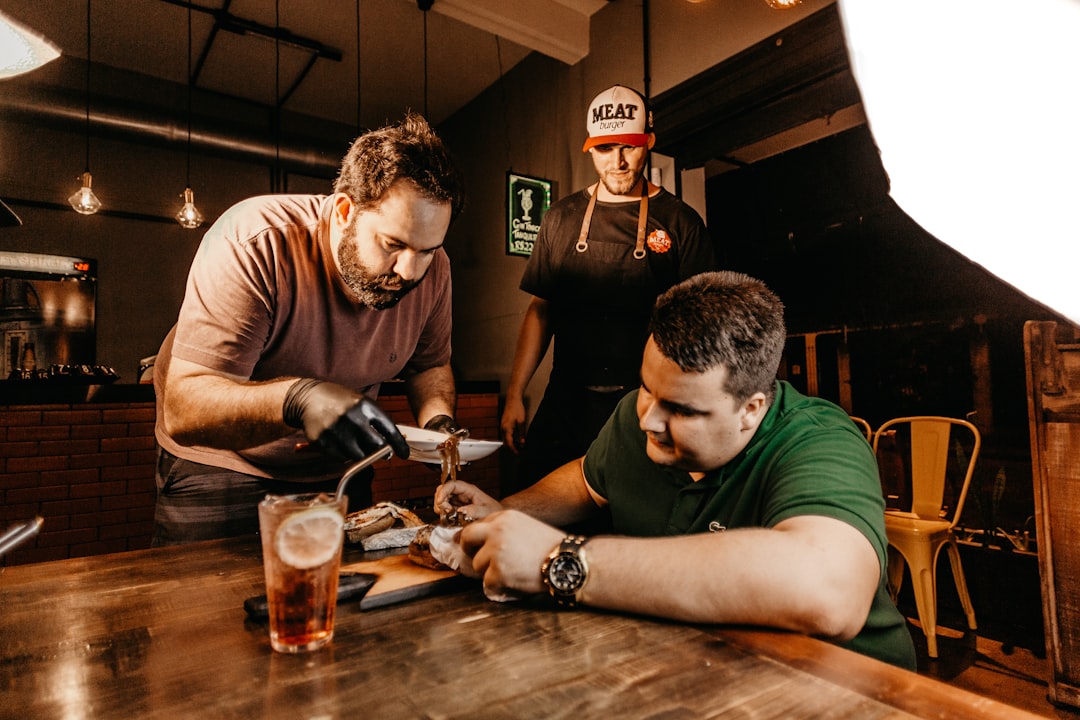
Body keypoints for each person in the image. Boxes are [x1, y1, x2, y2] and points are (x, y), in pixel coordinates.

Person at [437, 271, 917, 670]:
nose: (648, 419)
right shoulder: (637, 417)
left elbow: (828, 589)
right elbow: (589, 481)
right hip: (704, 670)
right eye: (647, 388)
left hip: (846, 689)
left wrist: (563, 561)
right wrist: (504, 513)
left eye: (683, 411)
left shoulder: (818, 440)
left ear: (751, 409)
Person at [152, 112, 466, 545]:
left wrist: (438, 425)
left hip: (339, 472)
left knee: (345, 605)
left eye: (427, 250)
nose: (410, 272)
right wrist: (297, 399)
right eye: (393, 244)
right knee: (203, 608)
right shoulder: (256, 240)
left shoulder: (434, 270)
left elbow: (430, 366)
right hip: (223, 467)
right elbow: (184, 407)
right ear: (343, 210)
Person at [500, 84, 719, 493]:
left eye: (629, 148)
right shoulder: (560, 218)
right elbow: (540, 310)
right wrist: (516, 393)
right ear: (591, 150)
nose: (617, 162)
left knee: (628, 523)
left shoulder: (681, 222)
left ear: (648, 142)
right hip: (564, 400)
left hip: (642, 408)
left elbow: (701, 332)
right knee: (532, 506)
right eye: (605, 149)